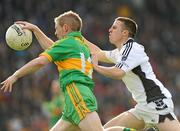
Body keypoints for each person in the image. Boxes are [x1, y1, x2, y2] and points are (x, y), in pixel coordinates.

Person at [0, 11, 136, 131]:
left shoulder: (67, 43)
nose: (55, 33)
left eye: (56, 29)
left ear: (65, 28)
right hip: (74, 101)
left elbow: (41, 61)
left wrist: (15, 75)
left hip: (78, 96)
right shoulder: (80, 44)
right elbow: (52, 47)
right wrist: (35, 30)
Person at [85, 16, 180, 131]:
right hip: (142, 107)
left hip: (156, 104)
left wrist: (97, 67)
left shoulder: (132, 49)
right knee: (102, 130)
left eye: (114, 27)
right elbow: (97, 53)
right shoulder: (119, 52)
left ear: (125, 33)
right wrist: (75, 36)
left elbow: (118, 72)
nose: (110, 30)